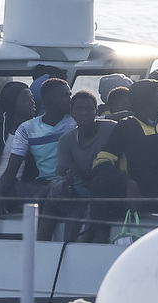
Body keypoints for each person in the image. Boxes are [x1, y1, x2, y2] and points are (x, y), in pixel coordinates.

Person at [0, 78, 75, 239]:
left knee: (44, 196)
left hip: (66, 184)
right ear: (49, 99)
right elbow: (11, 169)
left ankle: (39, 247)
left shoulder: (75, 123)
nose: (70, 99)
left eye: (69, 95)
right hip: (40, 183)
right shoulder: (27, 128)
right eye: (65, 95)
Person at [88, 79, 158, 238]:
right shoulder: (126, 126)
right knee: (99, 182)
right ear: (147, 100)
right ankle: (99, 234)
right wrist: (128, 182)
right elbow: (101, 162)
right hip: (136, 192)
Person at [48, 91, 116, 242]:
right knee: (52, 191)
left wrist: (85, 172)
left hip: (107, 188)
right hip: (79, 188)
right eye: (79, 109)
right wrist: (70, 173)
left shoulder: (111, 129)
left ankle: (86, 242)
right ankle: (41, 243)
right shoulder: (66, 140)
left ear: (96, 111)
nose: (84, 112)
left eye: (88, 108)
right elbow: (61, 172)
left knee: (97, 193)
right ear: (72, 113)